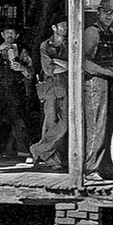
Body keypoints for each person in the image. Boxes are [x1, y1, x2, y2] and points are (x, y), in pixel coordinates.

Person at [83, 0, 113, 180]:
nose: (109, 16)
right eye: (106, 12)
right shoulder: (92, 32)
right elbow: (84, 62)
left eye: (112, 13)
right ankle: (91, 168)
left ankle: (106, 166)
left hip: (110, 83)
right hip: (95, 83)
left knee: (109, 125)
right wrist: (106, 72)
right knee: (97, 126)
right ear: (98, 13)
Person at [0, 21, 34, 159]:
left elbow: (30, 72)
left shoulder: (22, 50)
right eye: (7, 33)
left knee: (19, 120)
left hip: (15, 87)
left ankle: (23, 152)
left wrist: (22, 68)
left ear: (17, 35)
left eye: (12, 33)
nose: (10, 35)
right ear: (2, 34)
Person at [29, 15, 68, 171]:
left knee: (66, 123)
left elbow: (74, 64)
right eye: (63, 25)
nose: (66, 28)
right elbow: (48, 69)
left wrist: (57, 61)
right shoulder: (45, 45)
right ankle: (53, 162)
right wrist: (63, 64)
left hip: (66, 87)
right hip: (50, 88)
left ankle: (38, 149)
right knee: (50, 124)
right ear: (54, 27)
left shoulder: (71, 42)